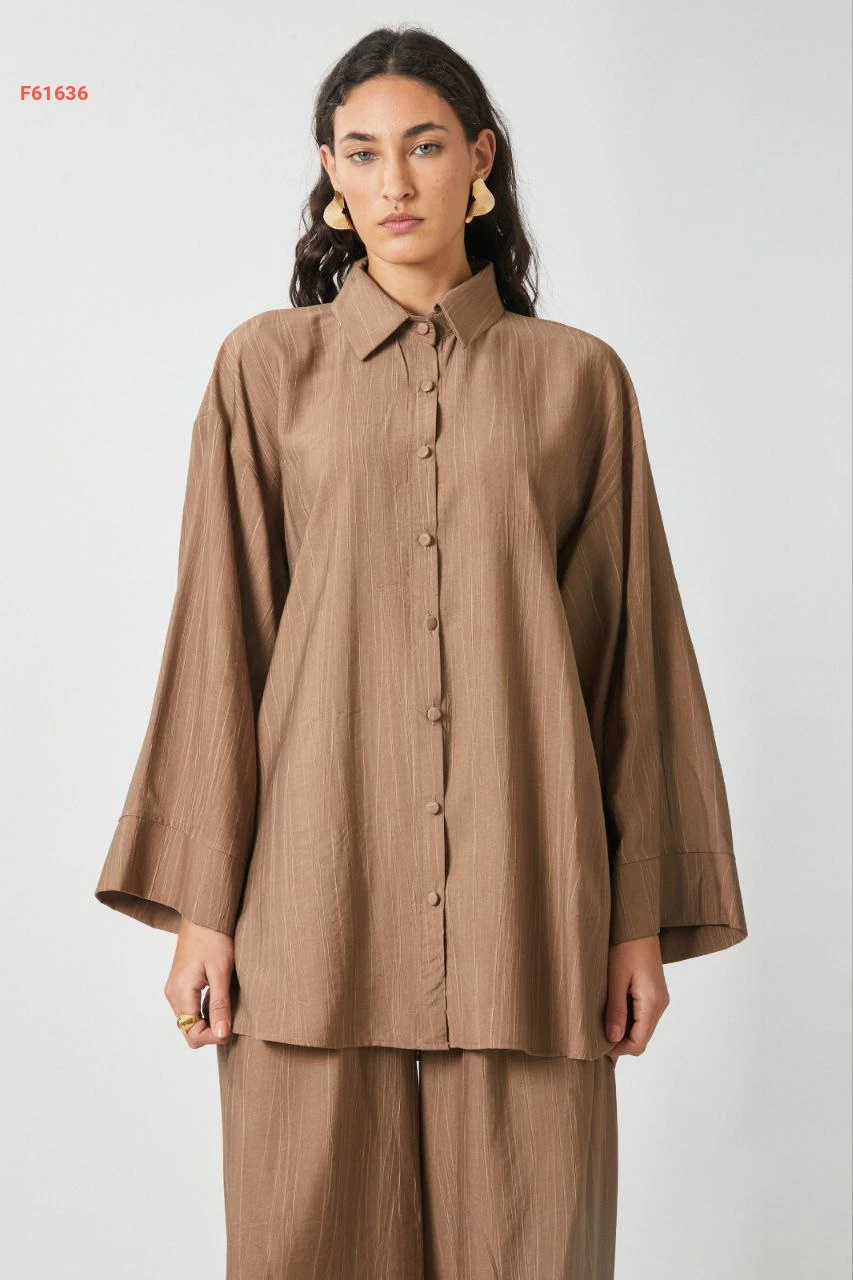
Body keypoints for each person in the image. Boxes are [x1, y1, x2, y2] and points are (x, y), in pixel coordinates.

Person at [93, 24, 748, 1279]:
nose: (392, 181)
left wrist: (635, 923)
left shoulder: (580, 383)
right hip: (309, 906)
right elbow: (220, 641)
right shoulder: (263, 371)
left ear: (479, 160)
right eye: (361, 152)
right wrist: (202, 911)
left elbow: (633, 666)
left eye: (424, 147)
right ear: (329, 175)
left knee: (530, 1248)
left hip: (526, 907)